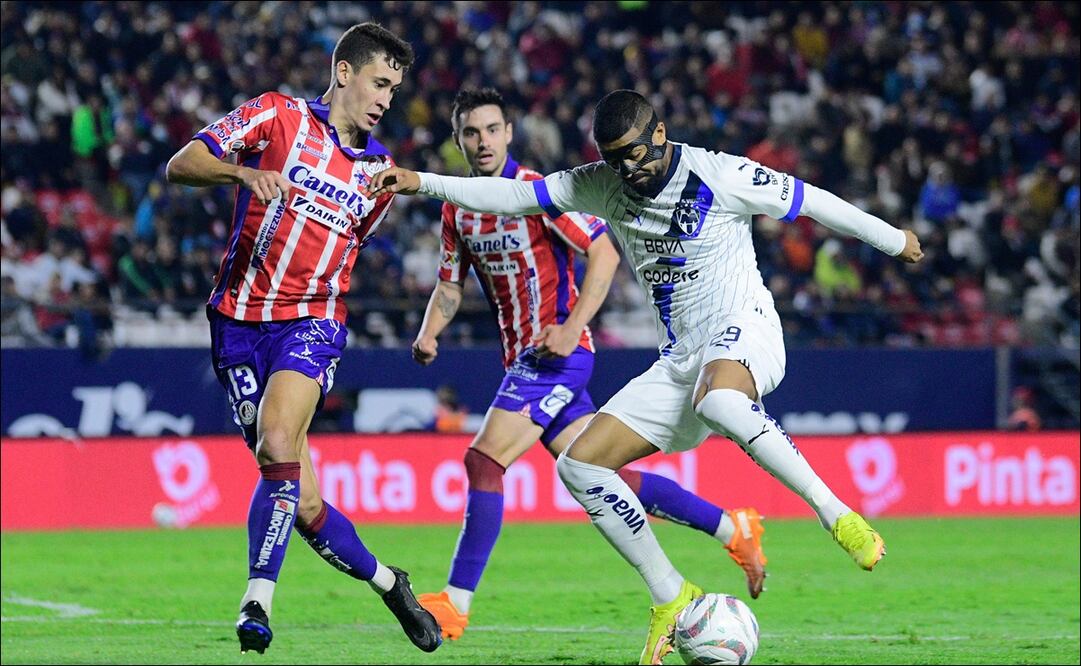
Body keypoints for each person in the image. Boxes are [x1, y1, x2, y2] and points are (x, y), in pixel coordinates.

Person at [367, 89, 925, 664]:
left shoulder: (720, 173)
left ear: (659, 133)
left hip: (744, 327)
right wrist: (422, 181)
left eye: (636, 154)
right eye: (615, 159)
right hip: (680, 360)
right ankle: (671, 595)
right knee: (579, 465)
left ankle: (837, 515)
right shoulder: (599, 183)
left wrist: (894, 239)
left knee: (722, 404)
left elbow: (813, 202)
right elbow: (514, 196)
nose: (629, 170)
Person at [411, 88, 768, 641]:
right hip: (524, 359)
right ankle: (733, 527)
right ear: (458, 140)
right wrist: (430, 332)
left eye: (491, 129)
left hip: (556, 357)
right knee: (608, 474)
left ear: (509, 132)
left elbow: (602, 250)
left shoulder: (538, 194)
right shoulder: (459, 209)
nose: (482, 142)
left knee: (484, 462)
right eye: (470, 133)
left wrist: (574, 326)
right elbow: (449, 284)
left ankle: (454, 603)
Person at [164, 23, 440, 655]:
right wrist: (241, 175)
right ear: (343, 72)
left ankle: (256, 599)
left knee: (278, 439)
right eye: (379, 82)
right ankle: (390, 581)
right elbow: (182, 163)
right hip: (236, 323)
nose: (386, 99)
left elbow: (347, 251)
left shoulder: (378, 177)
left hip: (312, 323)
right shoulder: (277, 115)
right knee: (302, 499)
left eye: (394, 90)